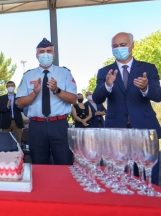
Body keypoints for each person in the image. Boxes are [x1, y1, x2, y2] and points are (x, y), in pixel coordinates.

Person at [92, 32, 161, 185]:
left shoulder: (148, 68)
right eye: (115, 46)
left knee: (148, 176)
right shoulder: (105, 72)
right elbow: (97, 98)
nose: (119, 48)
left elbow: (158, 95)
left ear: (132, 45)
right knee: (118, 176)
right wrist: (107, 85)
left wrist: (146, 88)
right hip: (116, 131)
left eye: (123, 45)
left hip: (144, 129)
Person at [16, 38, 77, 165]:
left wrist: (57, 90)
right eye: (42, 51)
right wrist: (34, 93)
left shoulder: (64, 73)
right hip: (37, 126)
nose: (45, 54)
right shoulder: (28, 75)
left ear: (53, 54)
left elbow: (74, 99)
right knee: (39, 165)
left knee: (64, 163)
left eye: (48, 51)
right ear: (37, 55)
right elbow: (19, 103)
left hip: (59, 125)